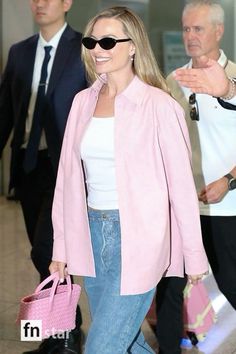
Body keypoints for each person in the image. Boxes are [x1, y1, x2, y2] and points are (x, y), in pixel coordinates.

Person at [49, 6, 208, 354]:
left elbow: (181, 189)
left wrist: (194, 257)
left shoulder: (160, 106)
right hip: (90, 236)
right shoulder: (82, 103)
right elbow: (66, 181)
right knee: (128, 342)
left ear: (133, 46)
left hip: (140, 240)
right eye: (92, 41)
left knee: (101, 347)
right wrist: (61, 247)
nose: (97, 49)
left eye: (108, 41)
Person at [0, 0, 87, 353]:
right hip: (28, 165)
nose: (39, 3)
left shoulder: (84, 48)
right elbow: (5, 110)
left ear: (66, 3)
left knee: (46, 248)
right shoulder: (19, 52)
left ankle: (67, 330)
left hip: (65, 166)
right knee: (45, 256)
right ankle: (54, 334)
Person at [157, 4, 236, 352]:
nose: (190, 36)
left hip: (227, 205)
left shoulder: (233, 79)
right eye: (186, 29)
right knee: (170, 284)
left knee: (231, 282)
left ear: (218, 31)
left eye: (198, 29)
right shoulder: (174, 81)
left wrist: (229, 181)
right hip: (181, 206)